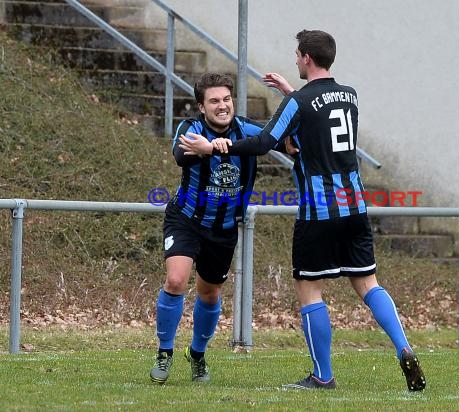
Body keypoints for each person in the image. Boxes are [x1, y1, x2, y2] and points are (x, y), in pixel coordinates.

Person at [180, 30, 426, 391]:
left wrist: (214, 147)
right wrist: (291, 94)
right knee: (368, 284)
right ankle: (404, 347)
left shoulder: (300, 103)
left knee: (310, 290)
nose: (295, 61)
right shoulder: (350, 97)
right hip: (355, 206)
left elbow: (265, 141)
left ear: (307, 58)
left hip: (318, 210)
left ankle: (323, 376)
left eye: (297, 55)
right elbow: (319, 119)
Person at [150, 72, 285, 384]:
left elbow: (274, 139)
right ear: (201, 106)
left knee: (209, 294)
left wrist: (292, 143)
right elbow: (180, 156)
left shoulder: (248, 129)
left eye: (226, 99)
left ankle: (197, 354)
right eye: (214, 101)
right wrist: (207, 146)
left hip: (224, 228)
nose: (222, 106)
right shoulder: (191, 128)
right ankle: (165, 351)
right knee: (175, 280)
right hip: (186, 218)